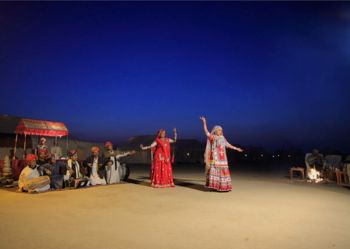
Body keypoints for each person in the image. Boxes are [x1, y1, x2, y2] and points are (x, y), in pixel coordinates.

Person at [200, 116, 243, 192]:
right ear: (215, 131)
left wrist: (236, 148)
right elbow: (206, 132)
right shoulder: (213, 137)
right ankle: (214, 186)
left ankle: (224, 187)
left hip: (223, 158)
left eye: (221, 130)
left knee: (223, 171)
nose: (220, 132)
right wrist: (204, 122)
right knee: (212, 170)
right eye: (218, 130)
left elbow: (228, 144)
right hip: (214, 158)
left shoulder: (223, 138)